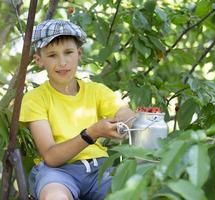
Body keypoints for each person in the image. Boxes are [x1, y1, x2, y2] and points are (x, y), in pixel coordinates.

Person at [19, 19, 135, 200]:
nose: (62, 62)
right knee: (54, 197)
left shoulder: (96, 91)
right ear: (39, 60)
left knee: (130, 194)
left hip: (99, 170)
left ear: (79, 53)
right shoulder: (35, 99)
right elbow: (51, 156)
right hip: (58, 173)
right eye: (52, 55)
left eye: (68, 52)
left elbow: (125, 113)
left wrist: (126, 121)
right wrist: (92, 132)